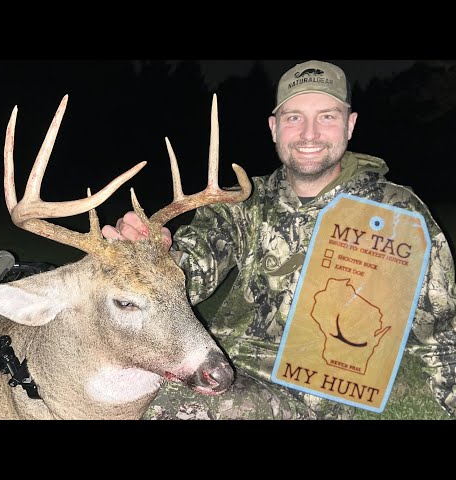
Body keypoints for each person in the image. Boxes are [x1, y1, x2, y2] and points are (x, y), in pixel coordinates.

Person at [102, 60, 456, 420]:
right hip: (219, 364)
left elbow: (444, 331)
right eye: (294, 118)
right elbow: (187, 278)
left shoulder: (396, 213)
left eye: (327, 117)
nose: (309, 134)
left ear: (350, 125)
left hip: (303, 394)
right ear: (274, 128)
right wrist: (153, 256)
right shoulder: (244, 201)